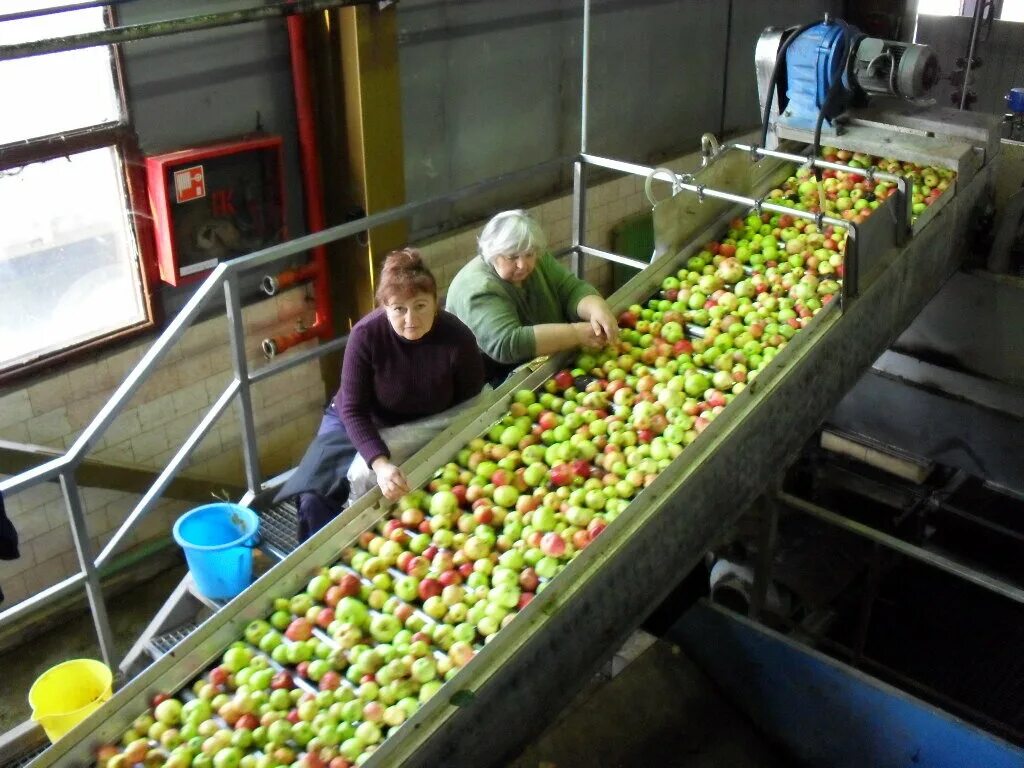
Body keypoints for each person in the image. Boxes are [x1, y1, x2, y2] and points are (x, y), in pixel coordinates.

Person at [275, 249, 485, 542]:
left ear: (436, 303)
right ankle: (317, 570)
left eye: (421, 305)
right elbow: (352, 408)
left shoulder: (456, 339)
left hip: (424, 424)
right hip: (360, 418)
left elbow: (472, 402)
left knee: (401, 500)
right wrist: (380, 463)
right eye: (399, 309)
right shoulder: (366, 336)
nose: (411, 319)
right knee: (315, 496)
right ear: (384, 307)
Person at [445, 209, 619, 385]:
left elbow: (571, 288)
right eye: (512, 257)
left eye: (528, 254)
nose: (522, 264)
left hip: (546, 362)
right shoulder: (477, 288)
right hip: (498, 378)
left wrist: (597, 308)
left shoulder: (538, 260)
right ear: (492, 253)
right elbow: (508, 343)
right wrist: (576, 333)